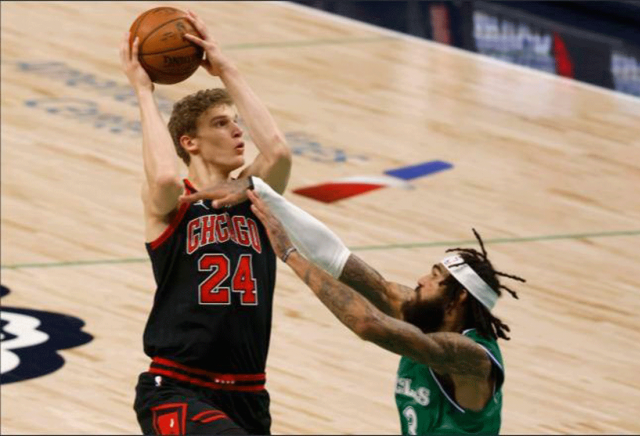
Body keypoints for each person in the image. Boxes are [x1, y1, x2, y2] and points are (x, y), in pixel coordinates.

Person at [180, 177, 525, 435]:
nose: (420, 280)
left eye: (434, 277)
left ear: (458, 297)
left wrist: (290, 255)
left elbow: (369, 324)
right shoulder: (419, 311)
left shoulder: (471, 358)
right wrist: (263, 192)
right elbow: (337, 258)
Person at [119, 9, 291, 435]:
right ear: (189, 142)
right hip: (177, 387)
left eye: (235, 122)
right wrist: (143, 91)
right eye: (221, 123)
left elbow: (278, 154)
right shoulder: (172, 204)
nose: (237, 131)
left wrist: (225, 67)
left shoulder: (254, 196)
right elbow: (161, 175)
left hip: (249, 393)